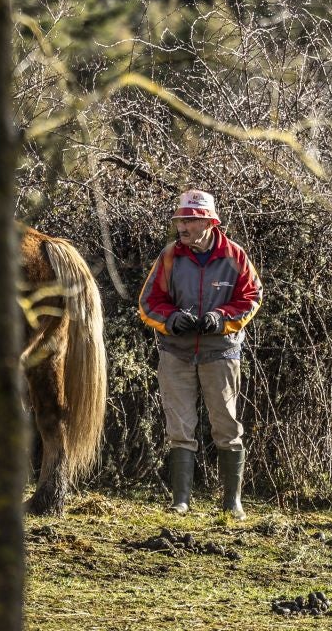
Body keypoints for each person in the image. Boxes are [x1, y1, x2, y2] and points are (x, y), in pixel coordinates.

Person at [138, 189, 263, 519]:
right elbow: (149, 302)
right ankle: (181, 502)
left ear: (209, 223)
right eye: (180, 219)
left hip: (221, 353)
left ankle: (232, 503)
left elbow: (252, 297)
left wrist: (221, 318)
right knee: (179, 428)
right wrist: (171, 319)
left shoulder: (235, 256)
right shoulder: (169, 256)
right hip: (175, 353)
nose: (182, 226)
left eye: (190, 220)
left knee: (227, 427)